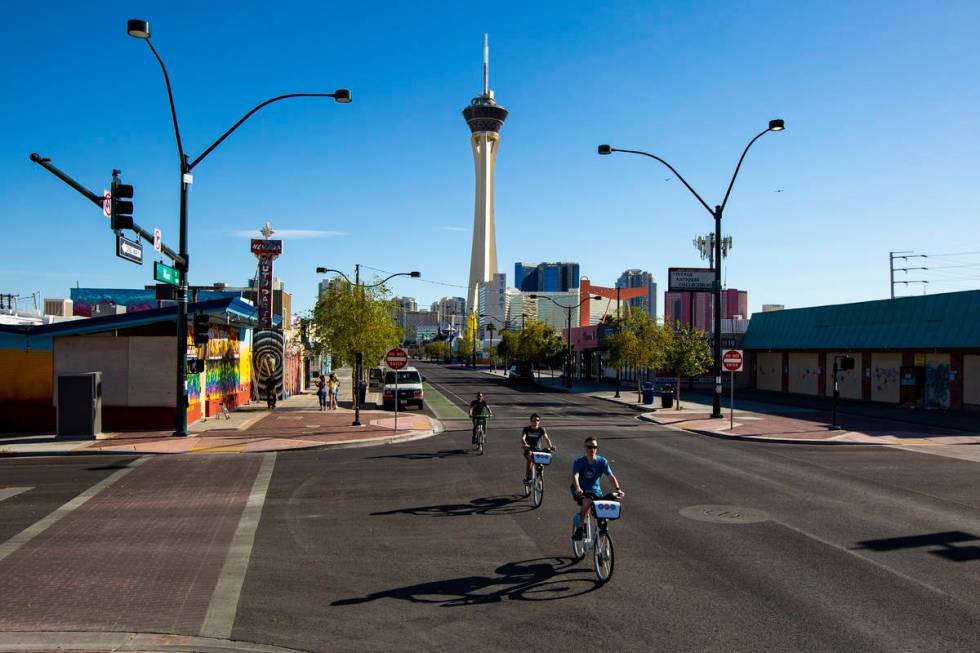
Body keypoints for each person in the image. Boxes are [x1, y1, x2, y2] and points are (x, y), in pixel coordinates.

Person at [570, 437, 624, 540]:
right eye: (590, 447)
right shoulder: (579, 462)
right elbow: (575, 476)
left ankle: (600, 545)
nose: (592, 449)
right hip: (581, 491)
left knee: (603, 517)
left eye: (594, 447)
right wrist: (577, 487)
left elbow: (610, 476)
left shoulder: (602, 461)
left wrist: (618, 489)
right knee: (587, 502)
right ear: (585, 447)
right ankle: (580, 529)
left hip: (596, 492)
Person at [521, 413, 555, 484]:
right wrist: (525, 444)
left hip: (538, 450)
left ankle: (539, 475)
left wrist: (551, 446)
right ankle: (527, 476)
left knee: (546, 453)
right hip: (529, 449)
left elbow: (547, 439)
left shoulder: (541, 429)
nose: (535, 422)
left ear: (539, 421)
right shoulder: (527, 429)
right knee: (530, 457)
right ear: (531, 421)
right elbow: (523, 438)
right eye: (534, 420)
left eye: (537, 420)